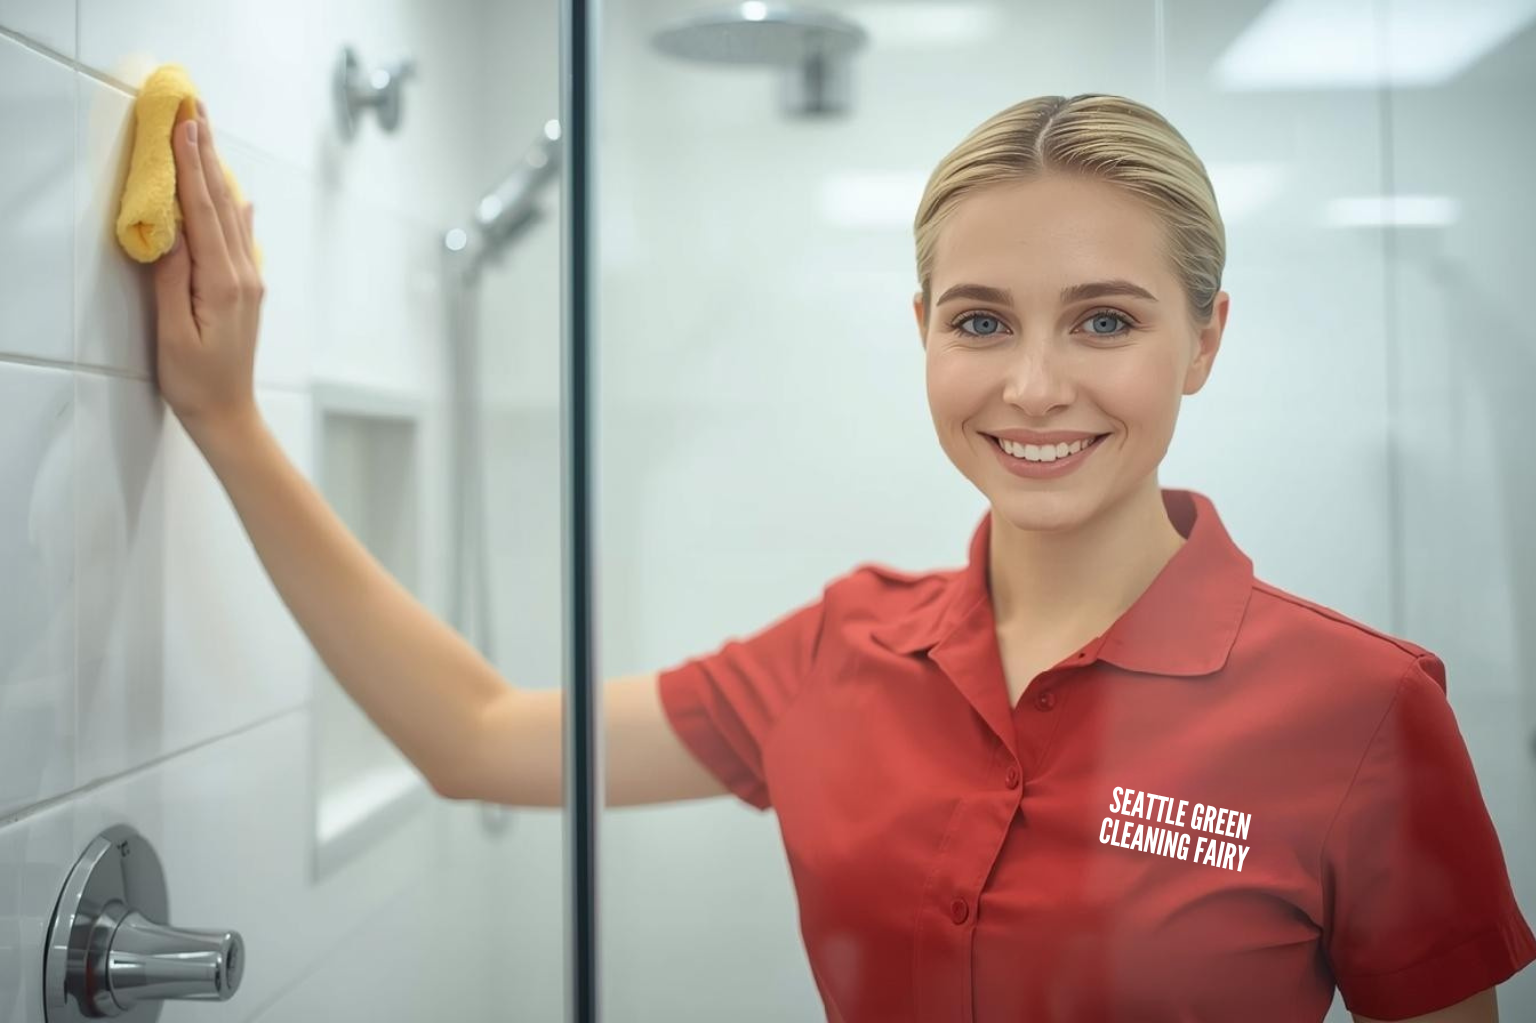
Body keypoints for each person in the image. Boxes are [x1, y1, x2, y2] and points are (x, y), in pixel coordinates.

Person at [154, 93, 1533, 1022]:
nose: (1035, 386)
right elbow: (477, 739)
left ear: (1207, 339)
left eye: (1105, 323)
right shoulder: (841, 655)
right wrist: (225, 418)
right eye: (982, 324)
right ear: (925, 328)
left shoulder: (1362, 712)